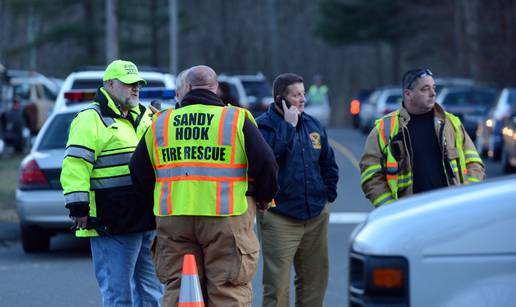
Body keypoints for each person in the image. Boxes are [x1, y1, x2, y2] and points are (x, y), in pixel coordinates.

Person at [129, 65, 279, 306]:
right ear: (216, 88)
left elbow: (138, 170)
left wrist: (155, 201)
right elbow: (266, 164)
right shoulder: (236, 119)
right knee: (227, 288)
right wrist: (263, 197)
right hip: (225, 216)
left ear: (186, 88)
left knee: (180, 287)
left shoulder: (160, 122)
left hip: (174, 217)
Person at [60, 59, 163, 307]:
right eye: (129, 84)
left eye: (137, 84)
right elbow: (75, 165)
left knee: (152, 293)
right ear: (110, 84)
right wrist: (78, 206)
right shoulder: (90, 119)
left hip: (147, 218)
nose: (135, 88)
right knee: (119, 296)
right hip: (113, 222)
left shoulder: (147, 115)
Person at [255, 73, 339, 307]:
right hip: (279, 216)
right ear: (280, 99)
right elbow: (268, 160)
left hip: (315, 215)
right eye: (296, 95)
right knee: (277, 287)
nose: (302, 99)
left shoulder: (313, 124)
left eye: (303, 94)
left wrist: (327, 196)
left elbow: (328, 164)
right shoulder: (262, 126)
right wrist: (288, 127)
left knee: (314, 283)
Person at [360, 68, 485, 207]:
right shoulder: (385, 129)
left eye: (434, 88)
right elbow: (371, 177)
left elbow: (475, 164)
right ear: (408, 94)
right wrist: (391, 208)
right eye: (425, 89)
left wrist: (464, 197)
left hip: (451, 209)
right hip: (410, 215)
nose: (433, 93)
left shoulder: (451, 123)